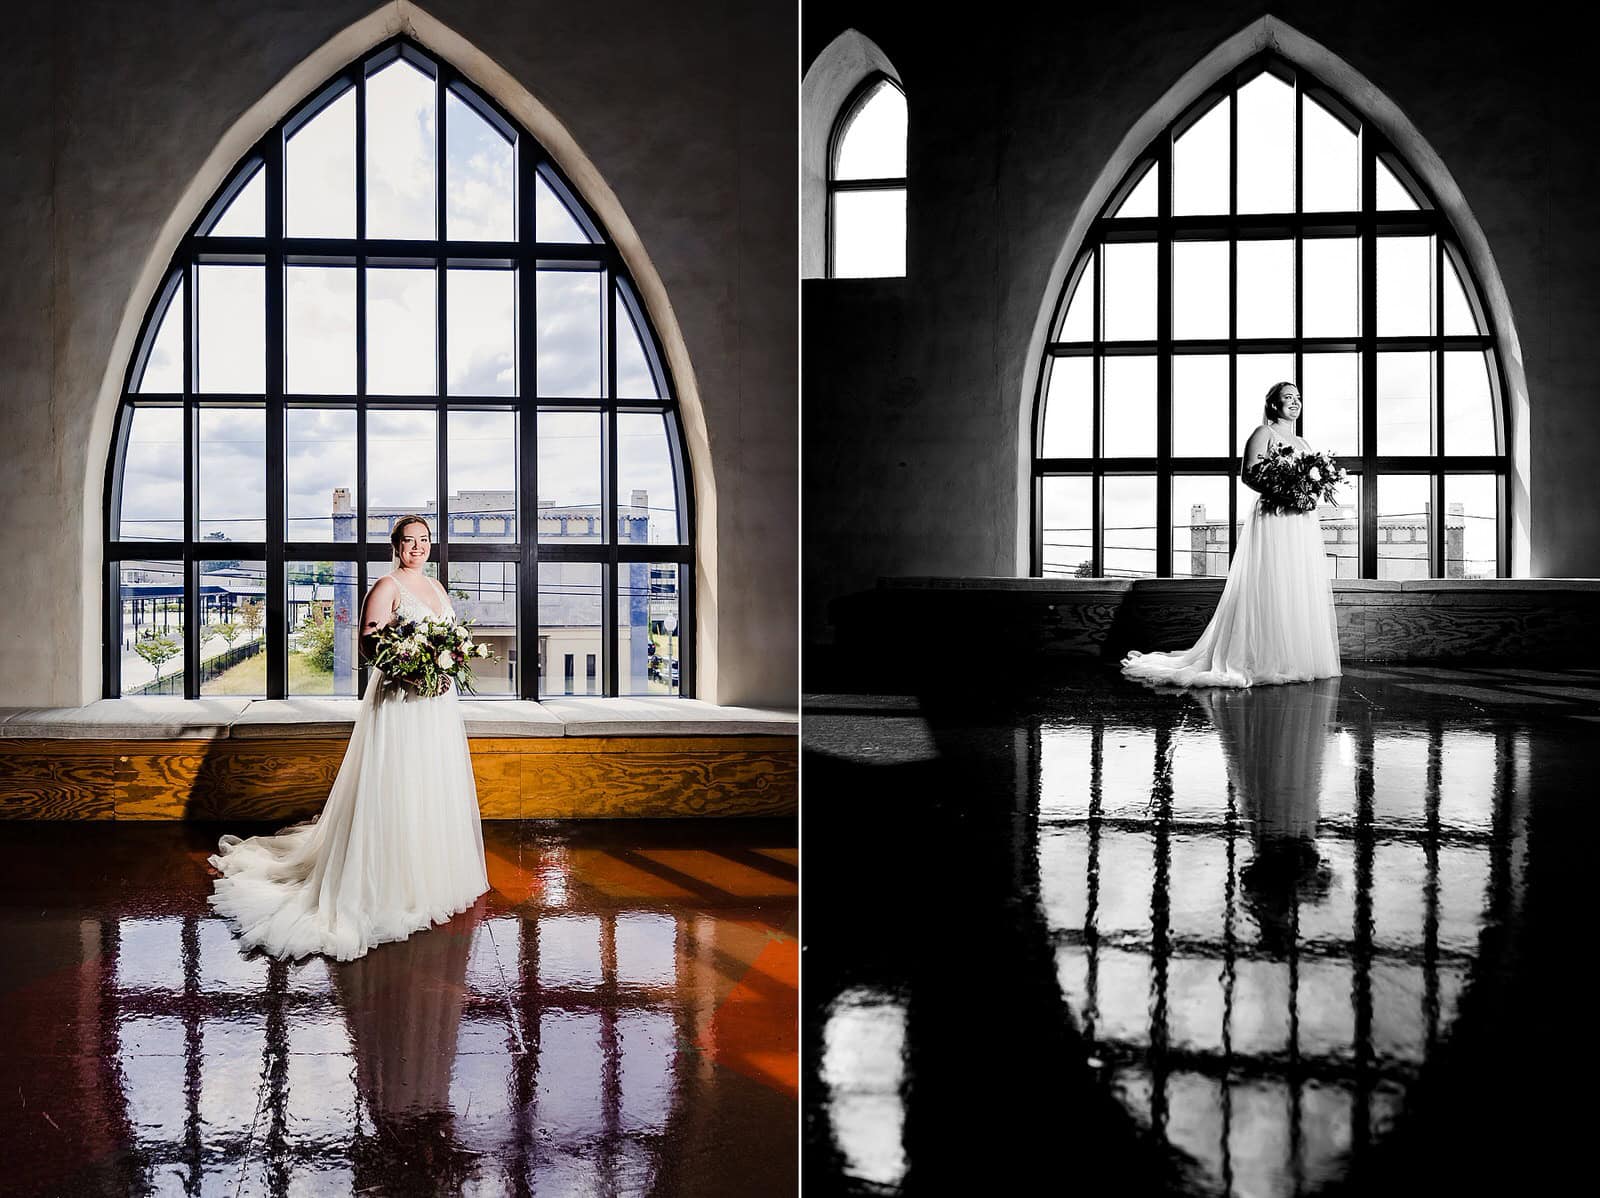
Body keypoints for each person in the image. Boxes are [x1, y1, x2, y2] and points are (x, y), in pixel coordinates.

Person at [207, 515, 490, 961]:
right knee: (396, 784)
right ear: (395, 545)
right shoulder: (386, 586)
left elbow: (450, 639)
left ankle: (429, 875)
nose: (417, 548)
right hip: (400, 700)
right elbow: (369, 644)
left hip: (435, 705)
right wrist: (413, 670)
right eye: (409, 541)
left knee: (430, 784)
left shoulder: (436, 588)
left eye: (424, 540)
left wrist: (447, 662)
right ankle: (385, 881)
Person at [1120, 381, 1342, 688]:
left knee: (1295, 581)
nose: (1295, 402)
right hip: (1275, 516)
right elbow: (1249, 473)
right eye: (1287, 397)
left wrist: (1309, 494)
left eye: (1298, 398)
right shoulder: (1263, 433)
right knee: (1271, 579)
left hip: (1300, 521)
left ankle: (1293, 657)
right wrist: (1288, 491)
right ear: (1274, 405)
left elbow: (1312, 482)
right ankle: (1261, 657)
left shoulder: (1303, 443)